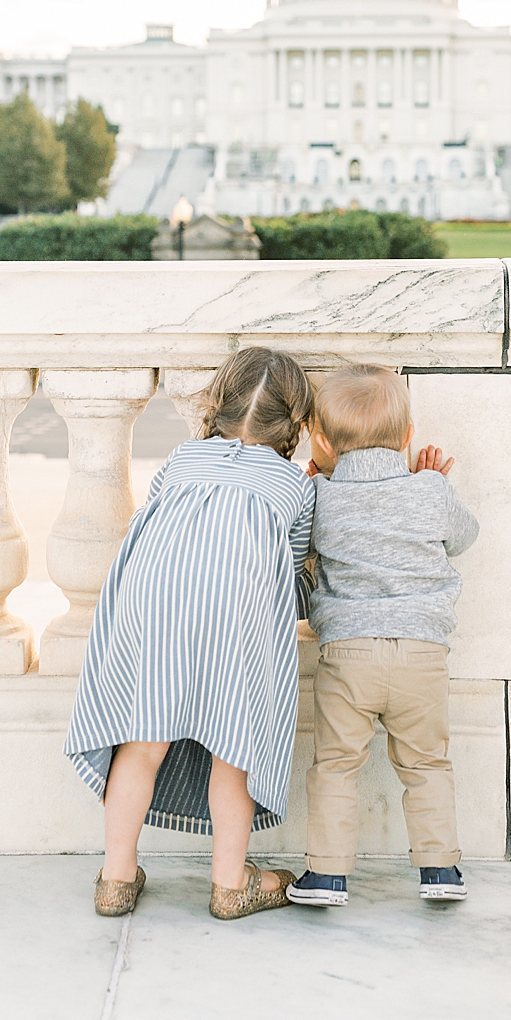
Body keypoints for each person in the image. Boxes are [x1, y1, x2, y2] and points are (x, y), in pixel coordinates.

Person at [65, 347, 314, 921]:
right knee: (233, 748)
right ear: (295, 424)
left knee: (143, 740)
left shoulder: (182, 460)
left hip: (156, 605)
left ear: (217, 406)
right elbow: (291, 575)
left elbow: (155, 524)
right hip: (236, 616)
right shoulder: (294, 487)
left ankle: (116, 877)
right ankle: (230, 884)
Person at [286, 364, 479, 909]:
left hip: (348, 654)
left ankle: (326, 876)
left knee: (335, 765)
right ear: (408, 435)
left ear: (320, 440)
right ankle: (440, 868)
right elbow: (464, 536)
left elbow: (299, 555)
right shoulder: (428, 489)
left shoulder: (319, 496)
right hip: (421, 654)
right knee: (426, 764)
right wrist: (436, 484)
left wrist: (306, 490)